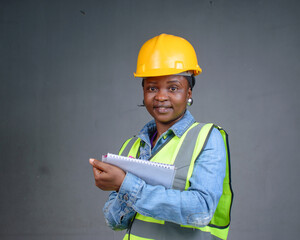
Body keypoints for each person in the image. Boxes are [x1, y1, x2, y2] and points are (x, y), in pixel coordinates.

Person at [89, 34, 233, 240]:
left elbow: (201, 210)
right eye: (152, 88)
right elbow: (114, 222)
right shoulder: (132, 147)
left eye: (173, 88)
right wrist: (121, 186)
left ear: (189, 93)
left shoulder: (207, 138)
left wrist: (125, 185)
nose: (161, 96)